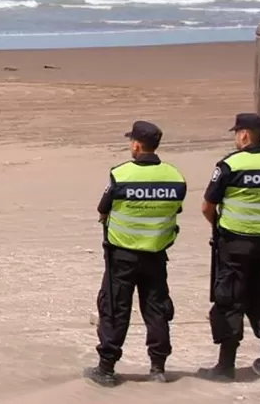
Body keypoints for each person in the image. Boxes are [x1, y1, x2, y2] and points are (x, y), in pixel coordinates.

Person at [83, 121, 187, 387]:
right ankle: (158, 368)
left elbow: (102, 209)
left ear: (136, 145)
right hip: (156, 254)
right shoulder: (175, 177)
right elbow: (174, 210)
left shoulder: (121, 174)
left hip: (122, 257)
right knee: (156, 310)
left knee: (116, 309)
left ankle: (106, 369)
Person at [197, 113, 260, 381]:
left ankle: (225, 367)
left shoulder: (230, 165)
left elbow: (208, 206)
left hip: (233, 244)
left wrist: (219, 227)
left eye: (236, 133)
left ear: (244, 135)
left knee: (229, 300)